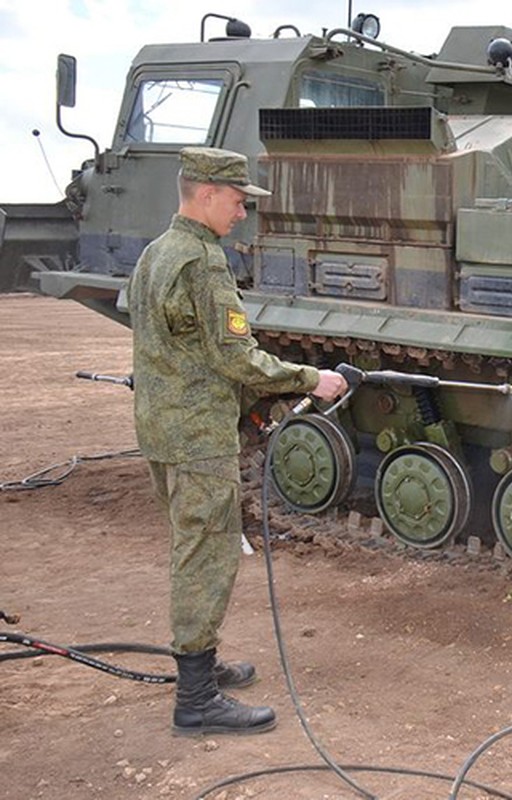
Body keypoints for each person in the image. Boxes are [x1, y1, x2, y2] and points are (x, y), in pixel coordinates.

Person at [128, 146, 347, 736]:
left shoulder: (156, 253)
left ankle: (203, 666)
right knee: (207, 556)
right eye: (238, 199)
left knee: (193, 546)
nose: (243, 211)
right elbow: (236, 357)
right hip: (198, 438)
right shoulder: (201, 261)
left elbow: (164, 343)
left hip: (161, 428)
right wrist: (312, 379)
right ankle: (196, 699)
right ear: (205, 194)